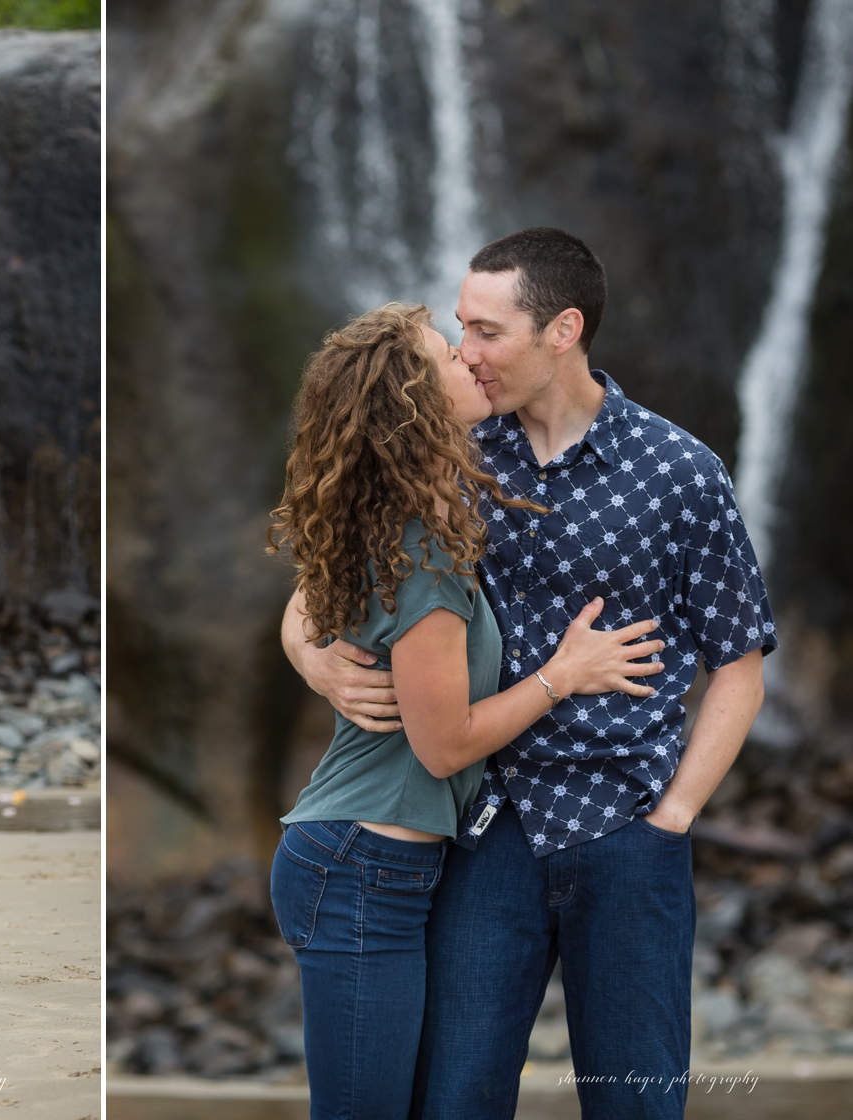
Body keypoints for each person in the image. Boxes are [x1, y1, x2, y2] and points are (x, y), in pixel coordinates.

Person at [282, 229, 773, 1119]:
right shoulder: (447, 450)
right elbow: (322, 583)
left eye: (487, 331)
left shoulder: (681, 472)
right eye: (460, 329)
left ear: (563, 330)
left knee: (637, 1105)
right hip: (481, 835)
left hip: (629, 835)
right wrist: (317, 663)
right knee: (455, 1103)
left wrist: (674, 818)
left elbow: (738, 666)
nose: (467, 353)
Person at [266, 302, 665, 1119]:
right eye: (452, 353)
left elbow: (310, 610)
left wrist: (315, 660)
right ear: (414, 400)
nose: (471, 361)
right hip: (359, 866)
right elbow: (446, 748)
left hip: (389, 866)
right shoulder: (421, 549)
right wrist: (563, 673)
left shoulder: (413, 505)